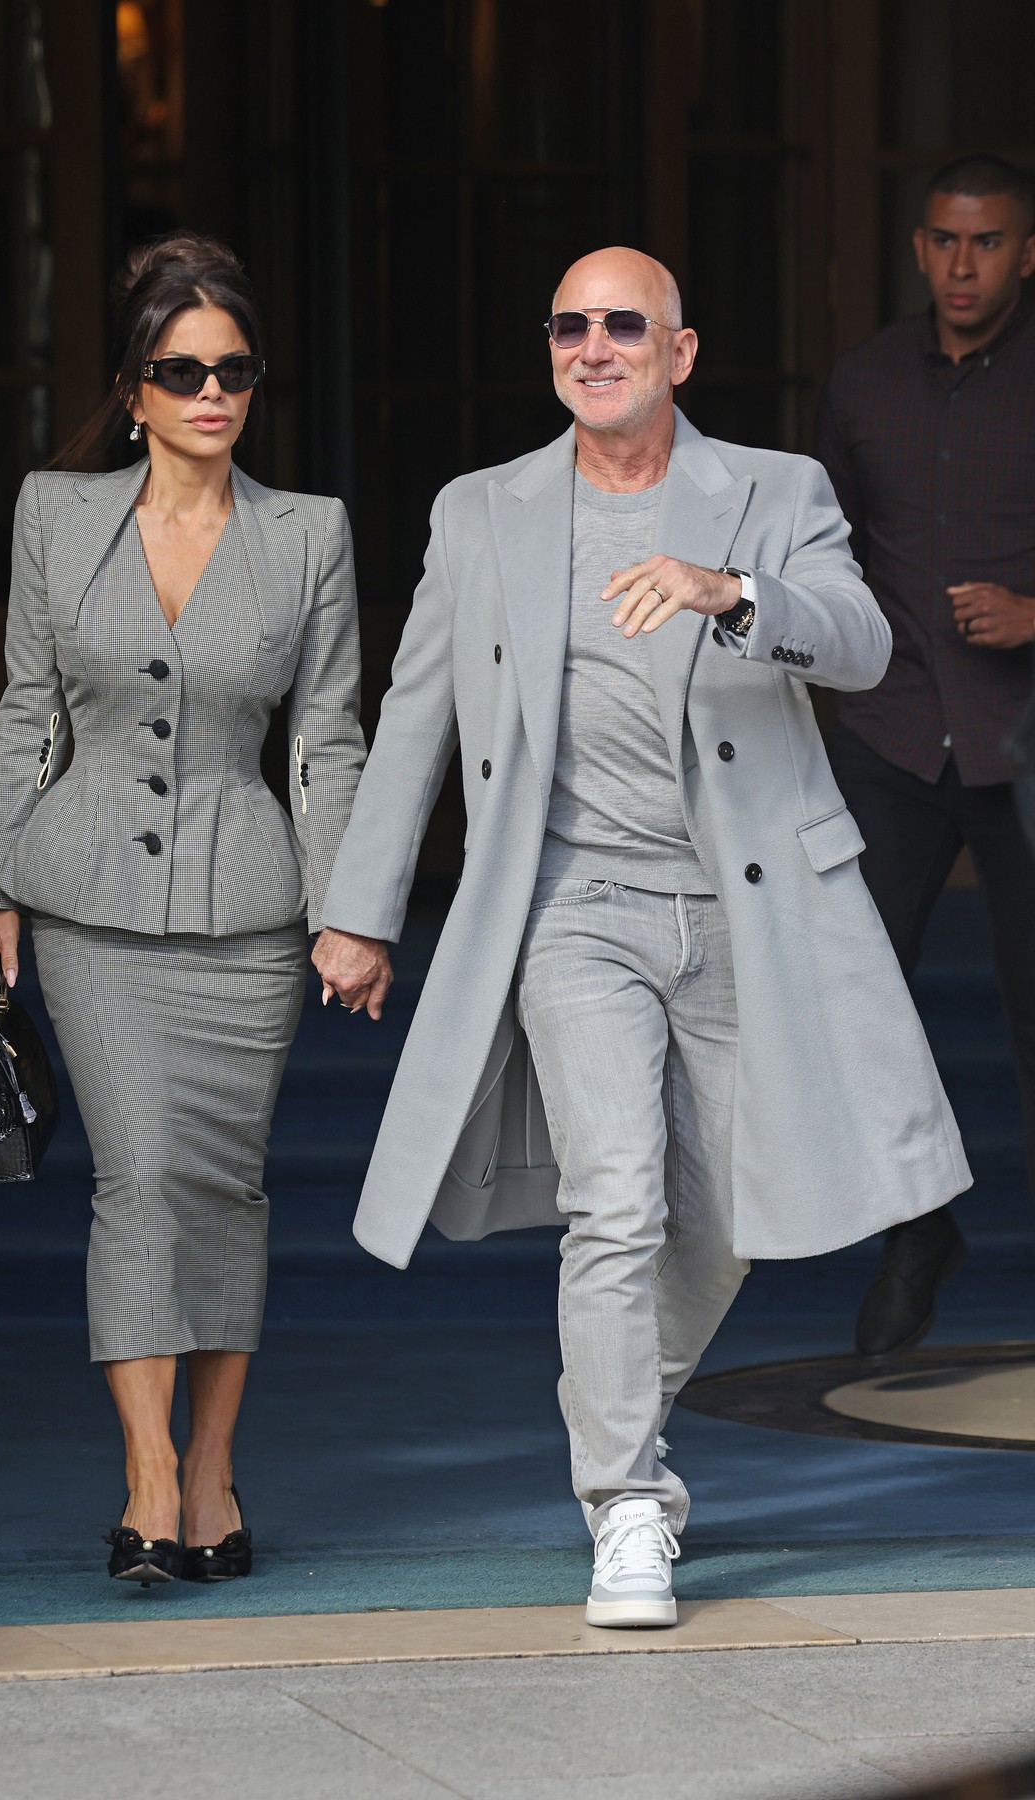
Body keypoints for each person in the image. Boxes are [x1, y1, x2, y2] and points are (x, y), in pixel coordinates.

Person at [311, 245, 970, 1630]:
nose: (593, 345)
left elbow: (863, 646)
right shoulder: (482, 511)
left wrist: (733, 591)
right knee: (615, 1197)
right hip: (571, 908)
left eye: (624, 324)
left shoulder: (776, 491)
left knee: (725, 1220)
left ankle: (604, 1407)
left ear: (680, 352)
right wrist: (360, 909)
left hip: (746, 908)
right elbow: (417, 710)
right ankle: (625, 1502)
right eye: (570, 325)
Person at [0, 232, 364, 1587]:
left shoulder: (309, 534)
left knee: (223, 1189)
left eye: (234, 371)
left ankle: (210, 1471)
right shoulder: (54, 515)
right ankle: (146, 1475)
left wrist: (343, 910)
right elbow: (30, 710)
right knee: (138, 1176)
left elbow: (327, 741)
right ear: (134, 388)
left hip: (248, 916)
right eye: (183, 372)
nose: (211, 394)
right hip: (86, 905)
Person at [816, 155, 1035, 1358]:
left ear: (1026, 254)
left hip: (1024, 740)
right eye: (946, 241)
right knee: (853, 1003)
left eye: (988, 242)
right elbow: (823, 557)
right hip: (891, 733)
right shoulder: (861, 384)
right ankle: (917, 1230)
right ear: (918, 249)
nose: (964, 264)